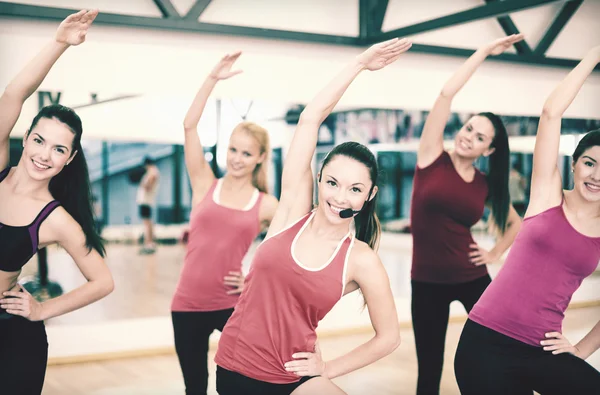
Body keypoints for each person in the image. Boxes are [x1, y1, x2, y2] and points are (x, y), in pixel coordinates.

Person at [214, 37, 412, 395]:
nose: (340, 196)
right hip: (234, 368)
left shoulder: (361, 260)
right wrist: (359, 65)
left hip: (293, 376)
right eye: (333, 182)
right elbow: (309, 119)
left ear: (370, 196)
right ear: (319, 179)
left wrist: (328, 368)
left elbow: (389, 337)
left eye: (355, 189)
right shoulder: (291, 213)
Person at [454, 45, 600, 395]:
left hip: (541, 349)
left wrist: (581, 349)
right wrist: (594, 53)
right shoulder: (547, 193)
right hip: (484, 343)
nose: (596, 176)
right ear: (575, 163)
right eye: (590, 163)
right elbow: (551, 112)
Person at [0, 10, 114, 394]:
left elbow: (102, 281)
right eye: (39, 140)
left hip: (12, 340)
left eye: (59, 149)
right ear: (25, 136)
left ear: (70, 158)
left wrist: (42, 309)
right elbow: (14, 94)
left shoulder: (56, 219)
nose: (45, 155)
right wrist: (60, 43)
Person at [410, 35, 524, 395]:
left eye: (478, 138)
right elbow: (446, 95)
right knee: (429, 369)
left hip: (471, 276)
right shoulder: (431, 157)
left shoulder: (485, 183)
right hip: (426, 283)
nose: (468, 137)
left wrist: (493, 254)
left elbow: (515, 224)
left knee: (498, 346)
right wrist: (484, 52)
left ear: (488, 150)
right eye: (468, 128)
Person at [170, 52, 279, 395]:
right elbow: (189, 126)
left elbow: (285, 253)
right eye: (233, 150)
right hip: (186, 304)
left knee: (242, 381)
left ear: (261, 157)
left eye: (247, 153)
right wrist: (212, 80)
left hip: (231, 304)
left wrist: (252, 279)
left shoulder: (266, 205)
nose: (236, 159)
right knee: (195, 389)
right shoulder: (205, 183)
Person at [137, 156, 160, 254]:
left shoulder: (153, 172)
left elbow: (149, 185)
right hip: (146, 200)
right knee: (148, 222)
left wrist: (143, 185)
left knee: (147, 222)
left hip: (146, 200)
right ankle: (150, 242)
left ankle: (148, 243)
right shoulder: (153, 172)